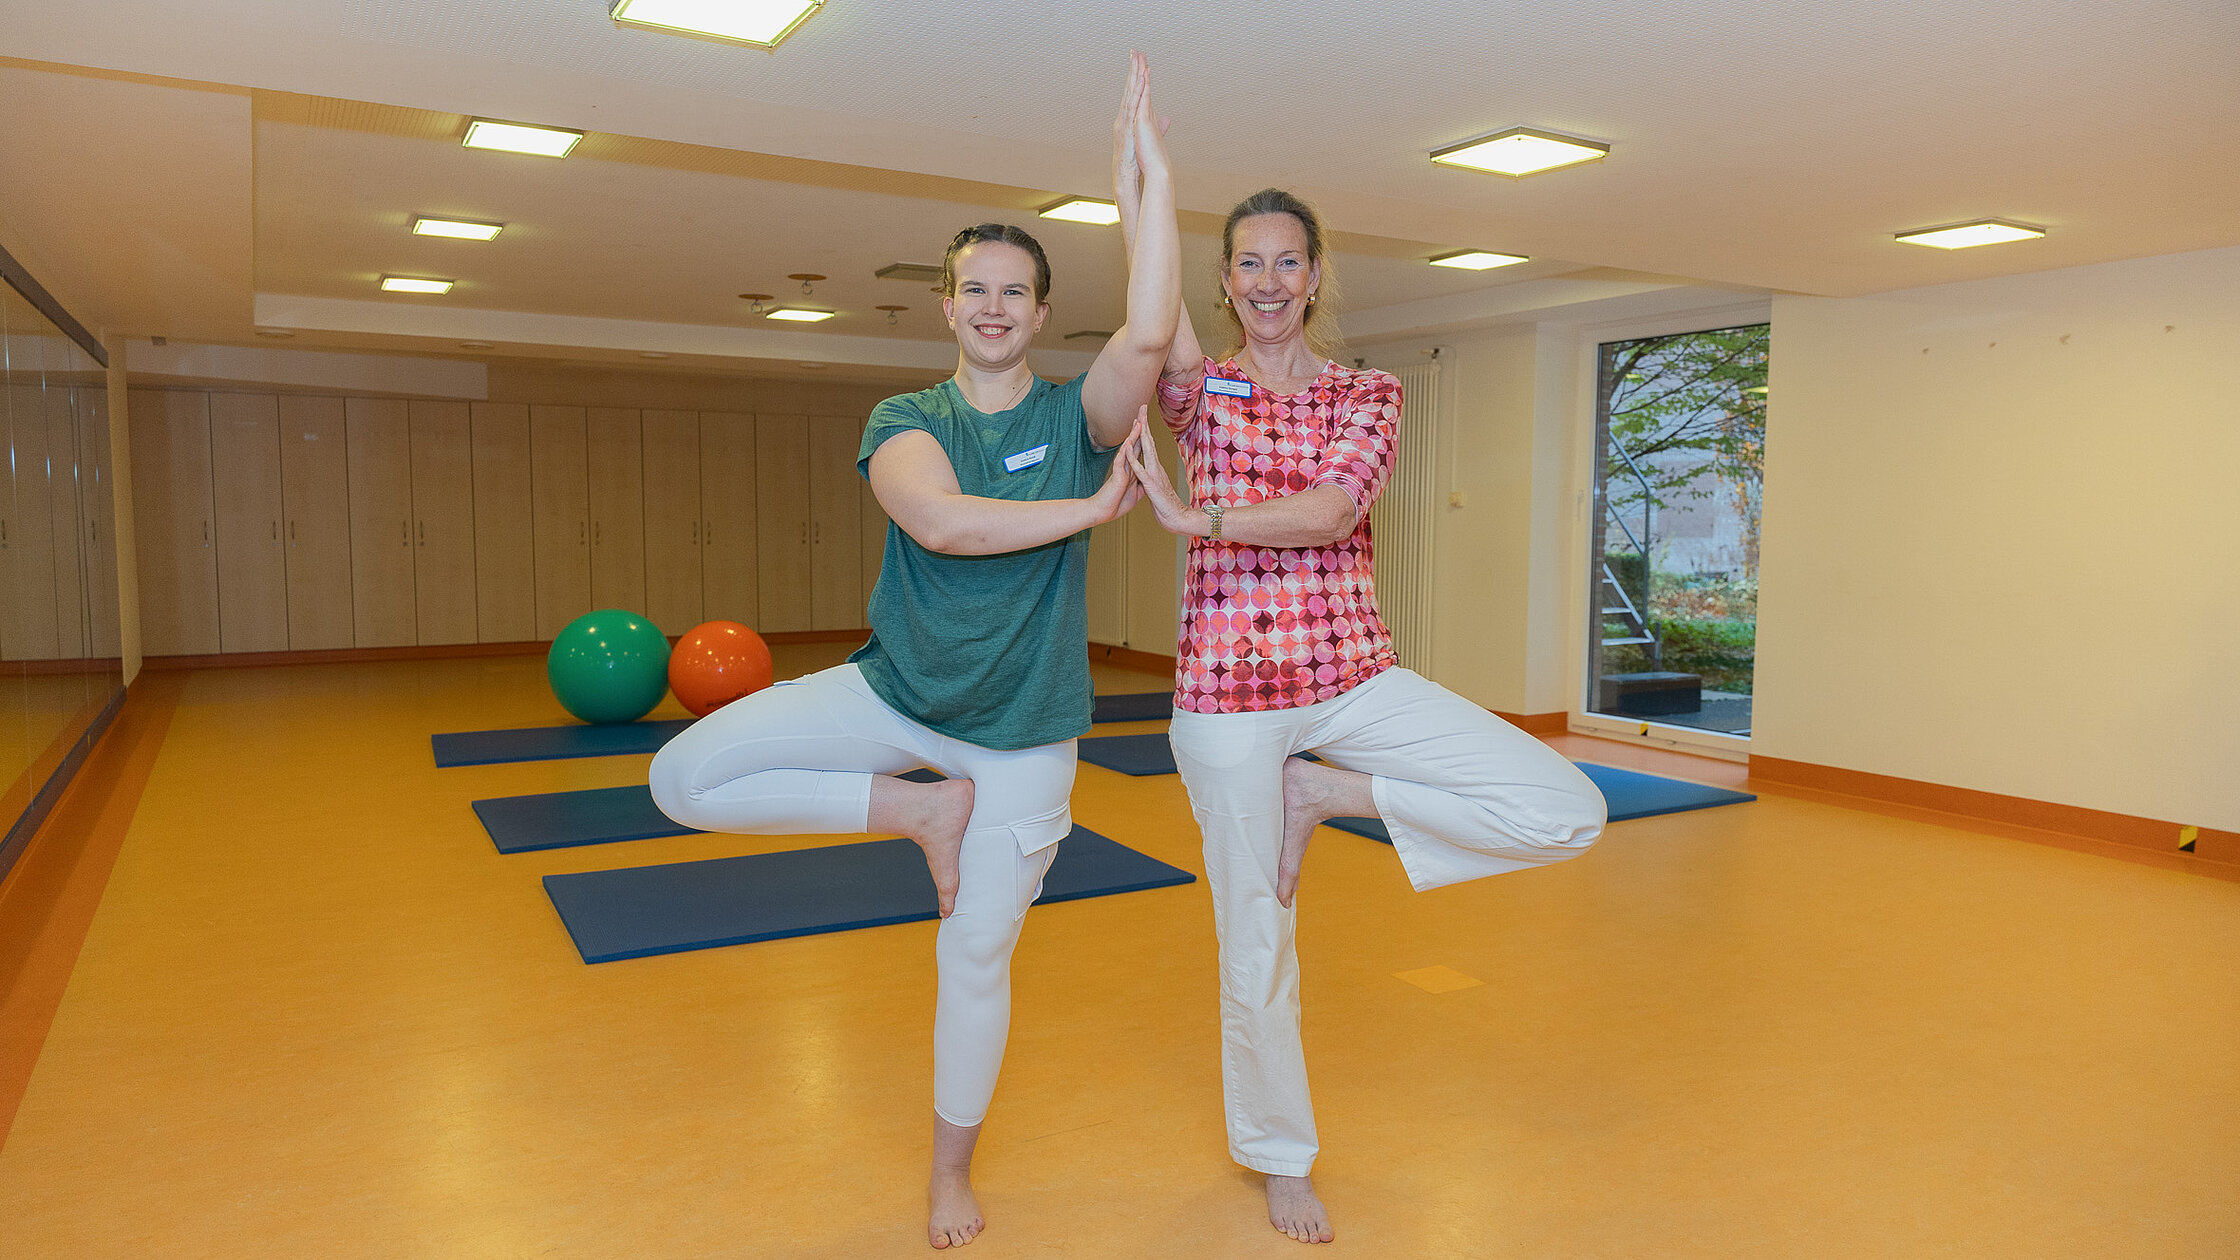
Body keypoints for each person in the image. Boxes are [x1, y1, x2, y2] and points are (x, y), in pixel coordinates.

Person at [648, 55, 1180, 1251]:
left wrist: (1140, 179)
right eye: (973, 289)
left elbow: (1149, 330)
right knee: (679, 778)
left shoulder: (1069, 418)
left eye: (1015, 292)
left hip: (1029, 733)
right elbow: (943, 524)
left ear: (1041, 314)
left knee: (975, 955)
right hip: (890, 700)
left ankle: (949, 1171)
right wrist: (1090, 516)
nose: (993, 307)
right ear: (945, 305)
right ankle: (913, 813)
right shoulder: (905, 422)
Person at [1112, 183, 1609, 1244]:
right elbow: (1146, 298)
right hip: (1226, 697)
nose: (1267, 283)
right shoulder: (1200, 395)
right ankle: (1282, 1158)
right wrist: (1140, 175)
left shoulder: (1367, 392)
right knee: (1256, 942)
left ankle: (1329, 793)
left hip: (1349, 676)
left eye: (1287, 262)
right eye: (1247, 264)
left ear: (1316, 273)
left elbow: (1332, 511)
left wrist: (1195, 515)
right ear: (1224, 281)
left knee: (1564, 807)